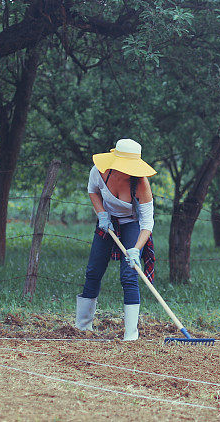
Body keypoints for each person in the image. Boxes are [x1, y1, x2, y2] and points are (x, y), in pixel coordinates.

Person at [75, 138, 156, 341]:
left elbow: (147, 223)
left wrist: (136, 249)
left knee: (129, 276)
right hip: (107, 222)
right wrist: (102, 213)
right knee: (93, 270)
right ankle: (82, 327)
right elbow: (92, 190)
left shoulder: (141, 184)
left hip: (131, 224)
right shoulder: (100, 170)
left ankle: (130, 335)